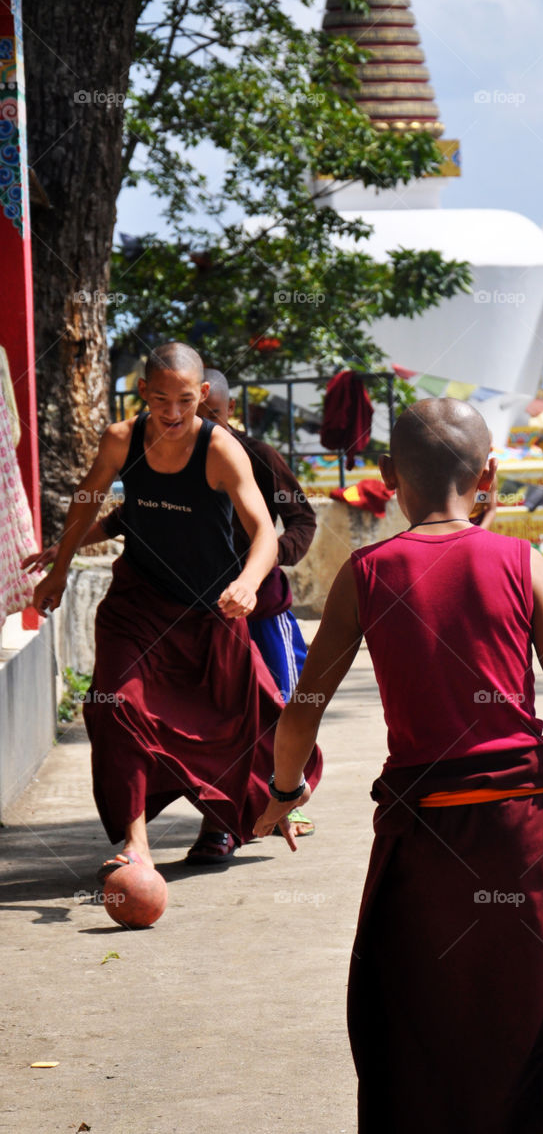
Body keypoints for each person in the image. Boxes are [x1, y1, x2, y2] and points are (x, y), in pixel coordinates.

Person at [253, 397, 543, 1134]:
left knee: (435, 1009)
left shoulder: (368, 574)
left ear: (391, 485)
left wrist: (282, 793)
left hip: (422, 840)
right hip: (523, 827)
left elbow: (303, 709)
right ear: (488, 482)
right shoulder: (517, 561)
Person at [29, 341, 320, 875]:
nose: (172, 413)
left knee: (234, 725)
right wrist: (59, 567)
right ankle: (135, 842)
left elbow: (264, 532)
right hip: (138, 605)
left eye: (185, 400)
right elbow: (89, 500)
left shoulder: (221, 450)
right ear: (142, 393)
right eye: (160, 400)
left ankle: (226, 821)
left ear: (203, 395)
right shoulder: (121, 439)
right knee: (115, 705)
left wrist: (251, 583)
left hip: (212, 611)